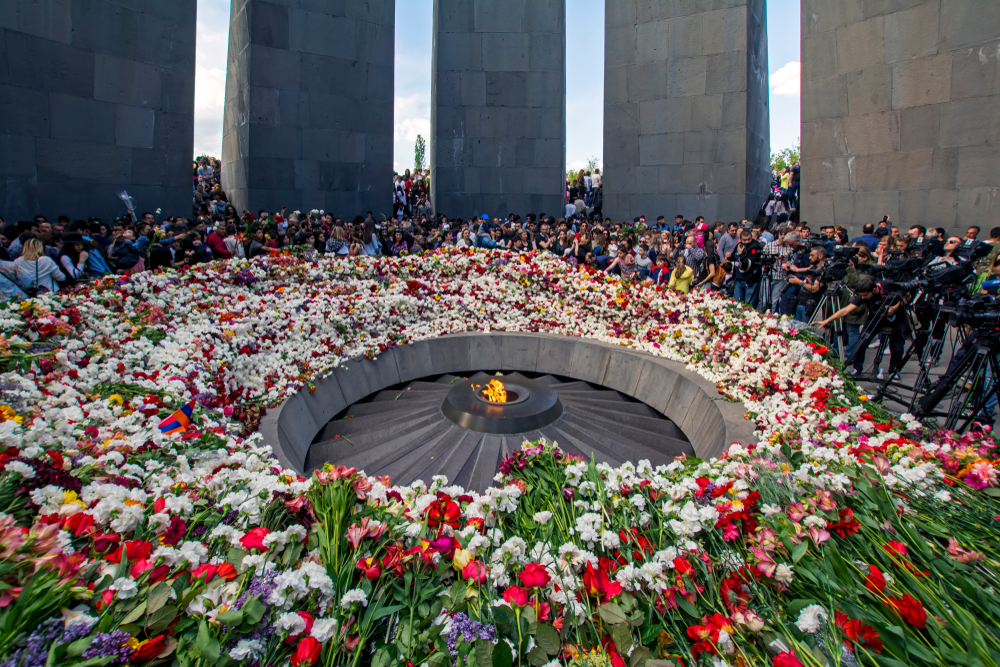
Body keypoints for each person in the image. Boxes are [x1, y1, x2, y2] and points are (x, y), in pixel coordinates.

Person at [786, 246, 827, 322]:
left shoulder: (822, 271)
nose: (809, 257)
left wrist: (798, 282)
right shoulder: (812, 268)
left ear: (820, 256)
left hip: (809, 306)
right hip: (800, 302)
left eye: (812, 255)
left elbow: (815, 289)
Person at [729, 229, 763, 307]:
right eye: (744, 240)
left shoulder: (756, 246)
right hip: (738, 279)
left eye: (749, 239)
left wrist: (741, 255)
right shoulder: (739, 245)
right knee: (736, 304)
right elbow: (734, 257)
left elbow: (750, 263)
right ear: (740, 239)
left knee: (749, 305)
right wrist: (729, 256)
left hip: (751, 280)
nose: (747, 242)